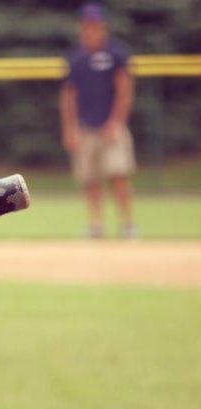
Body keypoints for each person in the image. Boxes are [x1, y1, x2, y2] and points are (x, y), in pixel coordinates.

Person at [60, 2, 136, 239]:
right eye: (87, 25)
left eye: (95, 25)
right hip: (85, 128)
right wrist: (70, 128)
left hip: (111, 127)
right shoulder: (75, 57)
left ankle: (127, 225)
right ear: (81, 27)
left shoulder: (116, 53)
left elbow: (124, 89)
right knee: (90, 179)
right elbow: (69, 96)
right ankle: (96, 226)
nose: (91, 29)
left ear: (103, 26)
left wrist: (116, 122)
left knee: (118, 175)